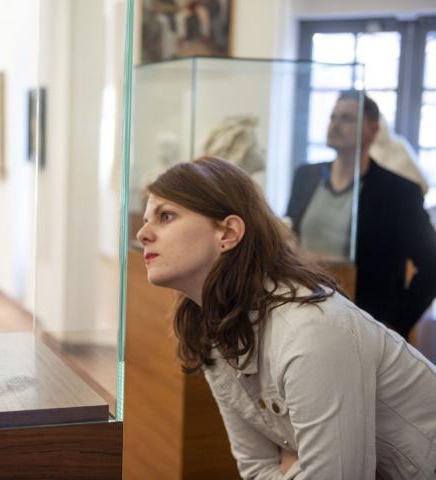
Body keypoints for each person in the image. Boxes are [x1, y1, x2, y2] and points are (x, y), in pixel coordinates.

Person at [136, 156, 436, 478]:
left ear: (228, 232)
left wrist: (295, 465)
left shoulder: (311, 330)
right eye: (146, 219)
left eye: (166, 216)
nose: (142, 234)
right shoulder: (213, 332)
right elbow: (255, 468)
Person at [287, 91, 436, 339]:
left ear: (372, 130)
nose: (334, 125)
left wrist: (394, 323)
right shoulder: (306, 176)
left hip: (364, 323)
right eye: (332, 116)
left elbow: (432, 263)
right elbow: (290, 235)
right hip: (303, 315)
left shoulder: (398, 191)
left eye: (346, 119)